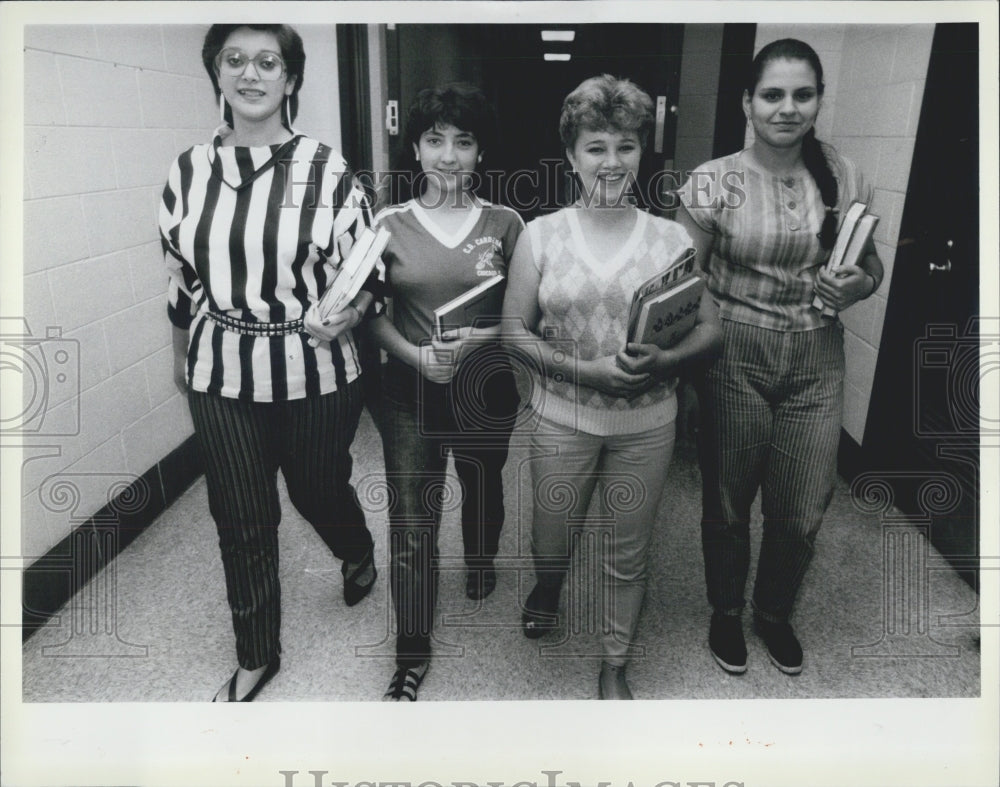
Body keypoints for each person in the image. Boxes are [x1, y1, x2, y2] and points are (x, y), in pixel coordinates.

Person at [159, 24, 380, 702]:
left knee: (316, 489)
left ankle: (356, 546)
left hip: (313, 365)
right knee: (241, 513)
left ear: (290, 78)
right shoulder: (186, 171)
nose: (250, 74)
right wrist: (182, 360)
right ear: (216, 75)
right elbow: (179, 278)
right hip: (219, 368)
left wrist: (348, 310)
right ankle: (258, 652)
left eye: (267, 61)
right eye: (234, 60)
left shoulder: (327, 168)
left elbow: (369, 272)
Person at [502, 75, 722, 699]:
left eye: (625, 145)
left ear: (642, 152)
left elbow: (709, 329)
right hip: (561, 418)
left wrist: (666, 360)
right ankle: (548, 586)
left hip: (648, 424)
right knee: (553, 539)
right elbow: (513, 332)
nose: (611, 161)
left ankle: (615, 662)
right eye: (596, 146)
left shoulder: (671, 239)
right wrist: (584, 372)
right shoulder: (542, 235)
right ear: (571, 155)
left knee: (630, 550)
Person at [675, 38, 885, 676]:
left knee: (801, 509)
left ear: (819, 101)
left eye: (803, 94)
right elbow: (686, 287)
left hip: (818, 355)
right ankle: (726, 612)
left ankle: (773, 611)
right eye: (772, 95)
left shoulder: (845, 175)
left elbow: (870, 265)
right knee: (729, 500)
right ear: (748, 102)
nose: (787, 108)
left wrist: (859, 284)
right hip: (734, 352)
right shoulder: (712, 182)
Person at [371, 84, 525, 701]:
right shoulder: (387, 225)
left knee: (483, 485)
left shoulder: (508, 225)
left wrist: (474, 340)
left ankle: (482, 557)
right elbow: (369, 312)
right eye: (435, 139)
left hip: (486, 388)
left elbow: (526, 315)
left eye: (463, 141)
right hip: (408, 389)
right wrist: (414, 355)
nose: (448, 155)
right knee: (412, 518)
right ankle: (411, 649)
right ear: (414, 147)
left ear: (481, 151)